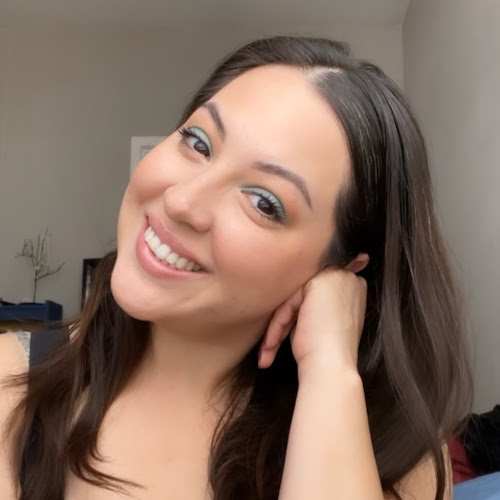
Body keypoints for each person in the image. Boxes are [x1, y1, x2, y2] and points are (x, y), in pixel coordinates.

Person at [0, 36, 472, 500]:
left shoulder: (395, 454)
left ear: (341, 269)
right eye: (198, 142)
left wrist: (329, 370)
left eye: (264, 202)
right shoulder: (12, 378)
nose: (181, 201)